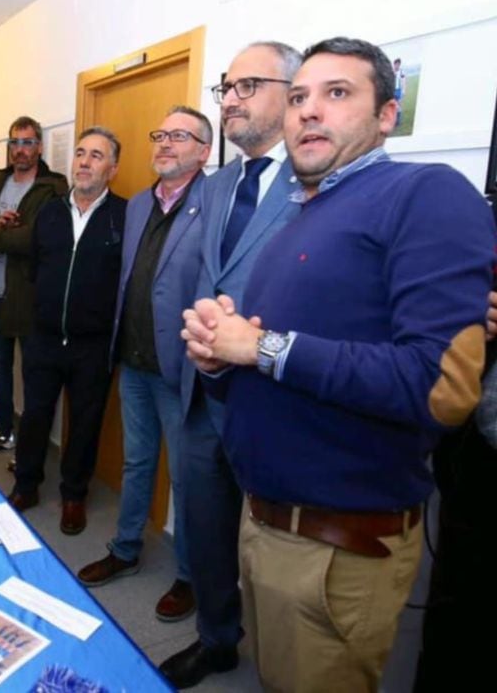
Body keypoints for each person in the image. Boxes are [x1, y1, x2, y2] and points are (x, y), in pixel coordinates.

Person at [181, 36, 495, 692]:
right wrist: (218, 352)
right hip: (264, 523)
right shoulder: (302, 215)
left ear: (386, 115)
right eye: (298, 97)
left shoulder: (425, 193)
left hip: (336, 549)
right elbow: (264, 361)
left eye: (337, 94)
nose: (308, 112)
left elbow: (438, 388)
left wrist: (258, 348)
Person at [158, 41, 304, 689]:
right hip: (200, 390)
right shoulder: (215, 186)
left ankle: (286, 668)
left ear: (292, 94)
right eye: (227, 87)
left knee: (277, 551)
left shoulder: (318, 182)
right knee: (206, 529)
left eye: (249, 85)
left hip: (273, 399)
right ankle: (216, 640)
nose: (233, 99)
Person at [76, 107, 211, 624]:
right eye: (161, 134)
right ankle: (126, 549)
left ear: (203, 150)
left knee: (186, 477)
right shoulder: (136, 206)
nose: (166, 144)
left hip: (181, 367)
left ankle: (191, 576)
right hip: (132, 361)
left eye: (181, 136)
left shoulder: (214, 203)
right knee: (137, 463)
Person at [6, 126, 126, 536]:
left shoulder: (125, 217)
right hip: (44, 337)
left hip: (92, 345)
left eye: (96, 155)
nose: (85, 162)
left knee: (86, 423)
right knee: (35, 414)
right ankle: (26, 486)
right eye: (80, 153)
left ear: (112, 167)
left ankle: (74, 495)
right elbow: (38, 267)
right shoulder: (50, 212)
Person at [0, 116, 68, 456]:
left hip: (30, 297)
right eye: (15, 143)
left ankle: (31, 448)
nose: (20, 150)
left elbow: (35, 240)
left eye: (27, 142)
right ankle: (3, 430)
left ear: (39, 146)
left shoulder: (54, 186)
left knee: (35, 374)